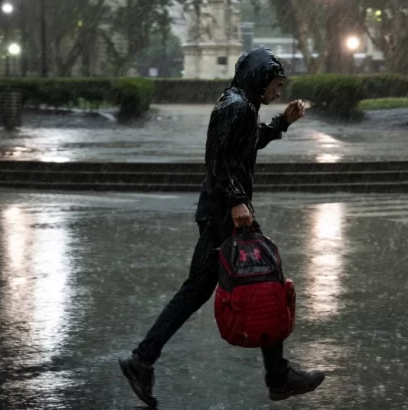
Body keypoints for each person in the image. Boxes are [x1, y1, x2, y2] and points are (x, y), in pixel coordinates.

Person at [119, 47, 325, 408]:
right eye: (276, 84)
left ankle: (143, 359)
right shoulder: (237, 106)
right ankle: (277, 376)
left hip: (222, 209)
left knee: (198, 289)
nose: (278, 92)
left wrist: (283, 123)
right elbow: (219, 160)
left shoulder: (240, 104)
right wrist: (236, 201)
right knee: (267, 279)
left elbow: (246, 145)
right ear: (261, 79)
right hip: (226, 212)